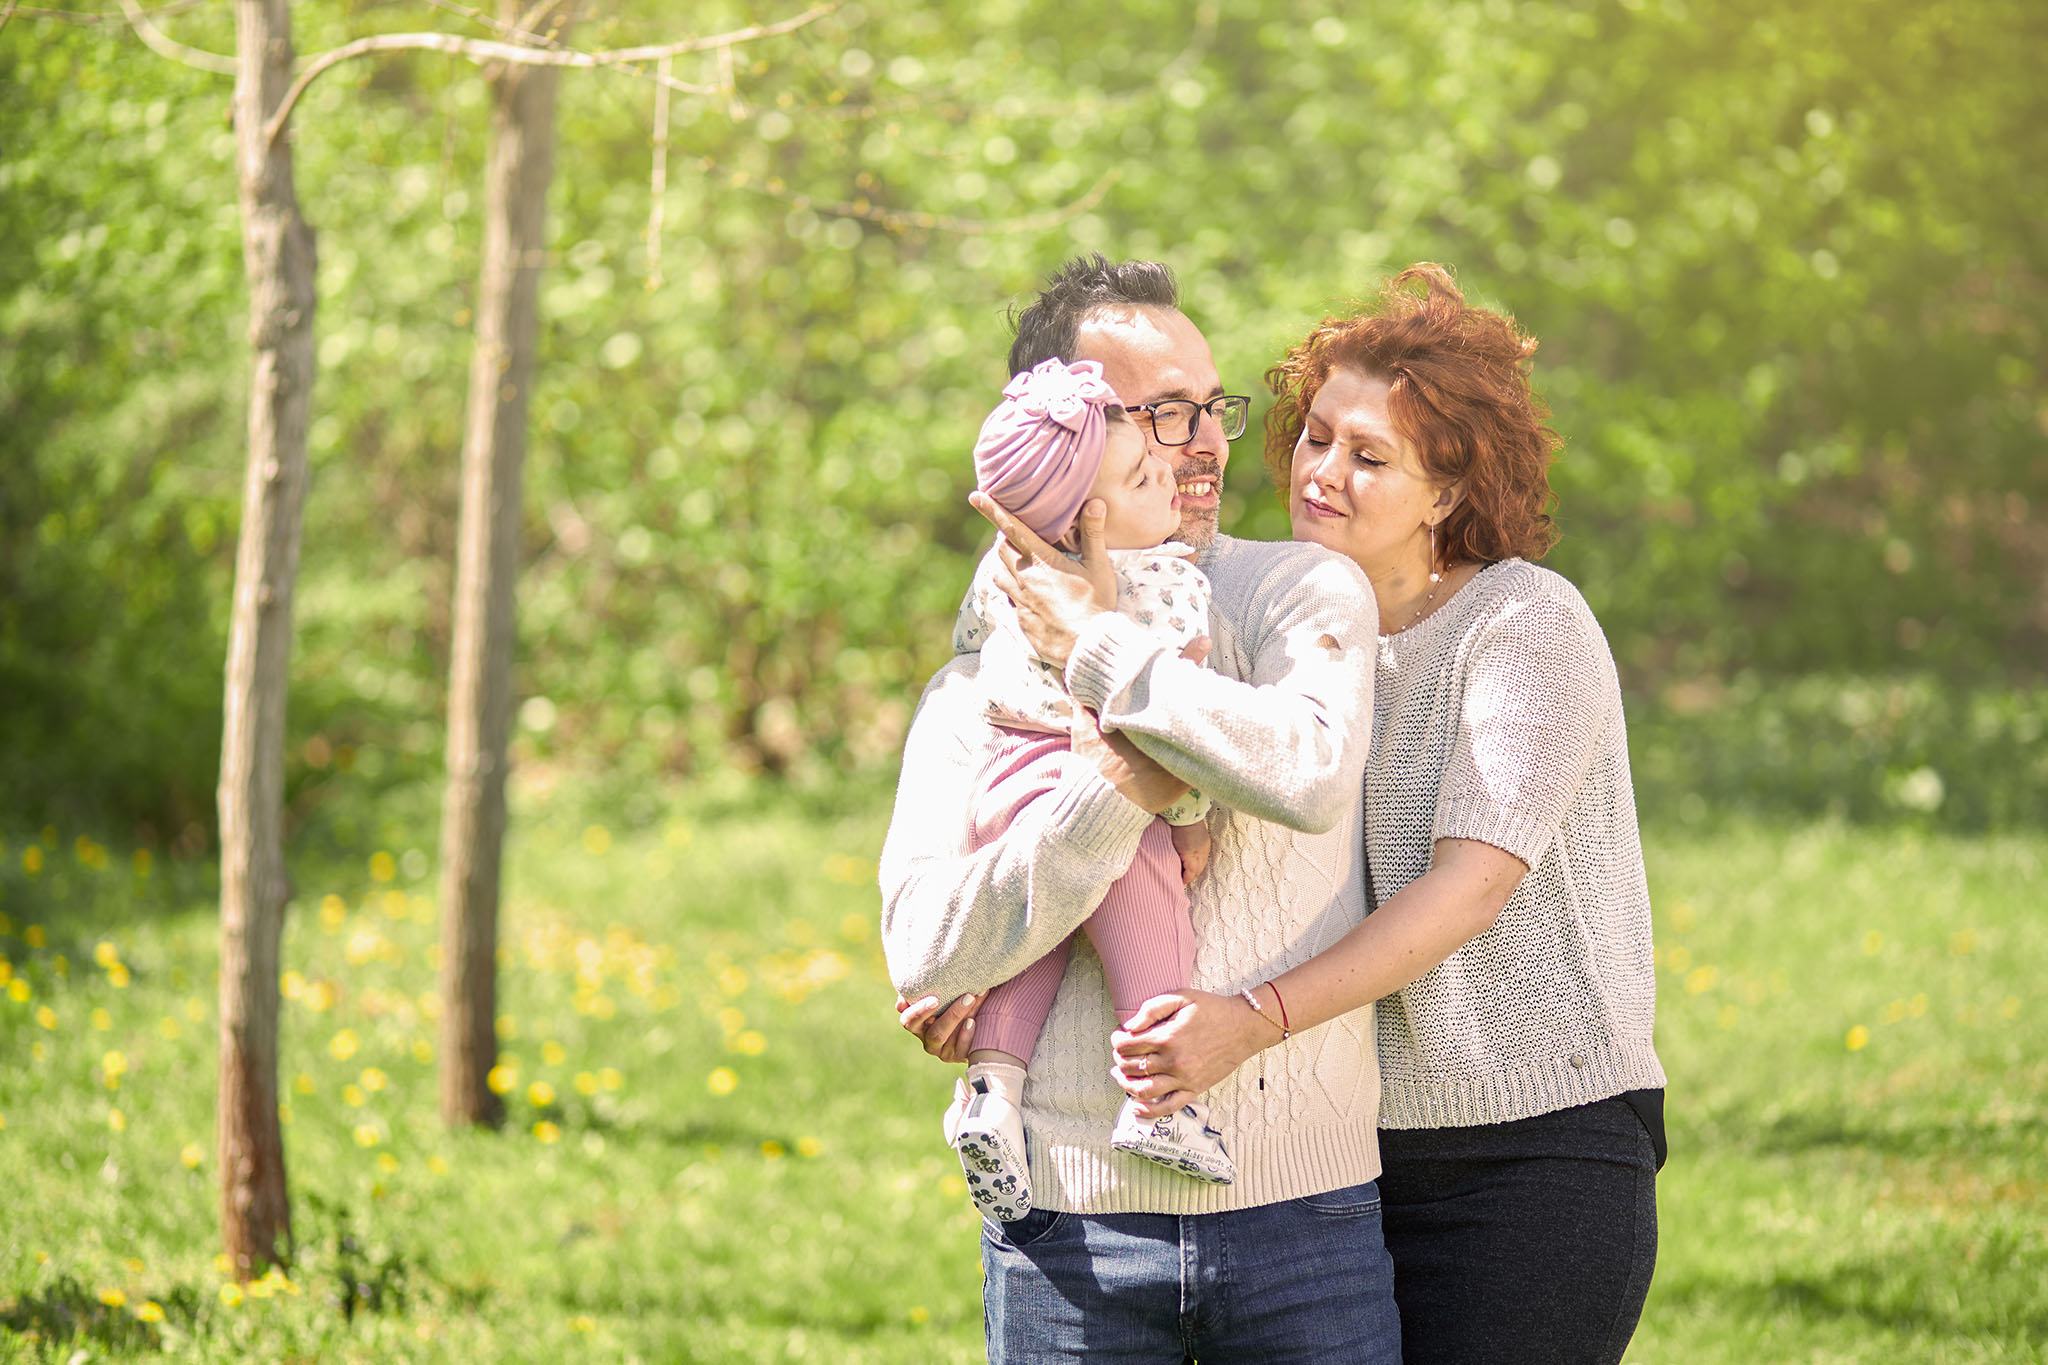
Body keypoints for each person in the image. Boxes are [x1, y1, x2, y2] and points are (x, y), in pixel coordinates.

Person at [1108, 263, 1666, 1365]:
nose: (1322, 472)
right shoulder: (1286, 631)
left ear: (1447, 493)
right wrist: (985, 984)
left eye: (1369, 457)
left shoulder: (1523, 624)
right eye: (1316, 437)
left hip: (1535, 1154)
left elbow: (1468, 888)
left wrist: (1251, 1018)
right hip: (1349, 1160)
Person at [881, 255, 1402, 1362]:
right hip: (1067, 1229)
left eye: (1211, 406)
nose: (1205, 442)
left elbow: (1308, 773)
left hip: (1305, 1215)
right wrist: (1120, 789)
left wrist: (1101, 651)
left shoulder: (1300, 592)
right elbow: (925, 950)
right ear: (1062, 440)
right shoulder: (981, 677)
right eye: (1162, 414)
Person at [945, 355, 1233, 1223]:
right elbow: (1171, 725)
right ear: (1083, 520)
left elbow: (969, 653)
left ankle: (991, 1091)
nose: (1168, 476)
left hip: (1007, 775)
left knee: (1037, 928)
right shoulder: (1167, 582)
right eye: (1143, 476)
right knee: (1149, 907)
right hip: (1100, 774)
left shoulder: (1005, 576)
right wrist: (1190, 822)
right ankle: (1158, 1101)